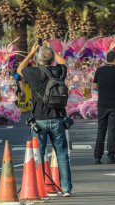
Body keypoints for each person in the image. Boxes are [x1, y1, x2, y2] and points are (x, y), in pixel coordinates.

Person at [17, 43, 73, 197]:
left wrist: (32, 51)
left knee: (39, 154)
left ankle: (40, 187)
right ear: (51, 59)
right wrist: (52, 51)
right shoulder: (58, 71)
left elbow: (19, 69)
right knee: (62, 154)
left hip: (39, 119)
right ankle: (66, 188)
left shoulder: (33, 72)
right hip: (58, 118)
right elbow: (64, 63)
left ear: (39, 59)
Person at [92, 50, 115, 165]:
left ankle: (97, 156)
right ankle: (111, 156)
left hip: (102, 104)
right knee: (112, 130)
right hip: (114, 105)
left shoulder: (99, 70)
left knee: (101, 130)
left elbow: (94, 86)